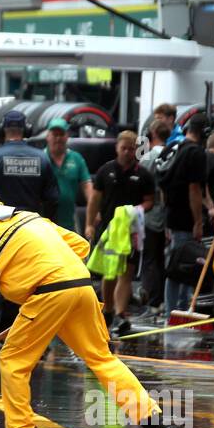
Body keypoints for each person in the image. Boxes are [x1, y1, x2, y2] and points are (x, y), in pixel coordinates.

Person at [0, 182, 174, 428]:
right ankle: (153, 421)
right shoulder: (29, 217)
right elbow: (80, 245)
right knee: (102, 359)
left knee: (13, 362)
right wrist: (48, 269)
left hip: (49, 294)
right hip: (80, 286)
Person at [87, 130, 154, 335]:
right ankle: (108, 310)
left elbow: (150, 200)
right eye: (123, 148)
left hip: (132, 232)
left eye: (131, 149)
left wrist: (139, 210)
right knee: (109, 273)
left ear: (136, 150)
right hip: (108, 230)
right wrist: (90, 223)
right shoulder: (105, 171)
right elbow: (95, 199)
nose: (126, 152)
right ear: (117, 148)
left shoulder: (143, 175)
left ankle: (120, 313)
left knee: (127, 273)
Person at [161, 113, 210, 318]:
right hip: (185, 218)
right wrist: (198, 221)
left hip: (172, 215)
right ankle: (175, 311)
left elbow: (163, 184)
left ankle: (174, 309)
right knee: (183, 266)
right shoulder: (196, 153)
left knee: (178, 263)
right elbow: (195, 188)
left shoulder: (175, 148)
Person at [0, 110, 58, 219]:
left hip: (0, 224)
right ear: (27, 130)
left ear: (1, 130)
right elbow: (53, 199)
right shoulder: (42, 158)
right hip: (32, 224)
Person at [138, 119, 171, 314]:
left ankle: (151, 301)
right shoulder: (173, 154)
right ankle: (162, 300)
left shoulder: (147, 157)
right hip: (169, 213)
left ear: (152, 134)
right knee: (163, 258)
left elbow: (140, 183)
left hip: (150, 212)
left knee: (149, 258)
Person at [45, 118, 92, 233]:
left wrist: (94, 211)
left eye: (61, 134)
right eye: (54, 134)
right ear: (48, 136)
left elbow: (87, 186)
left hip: (70, 220)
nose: (58, 138)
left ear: (67, 136)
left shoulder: (76, 159)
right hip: (44, 222)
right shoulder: (40, 158)